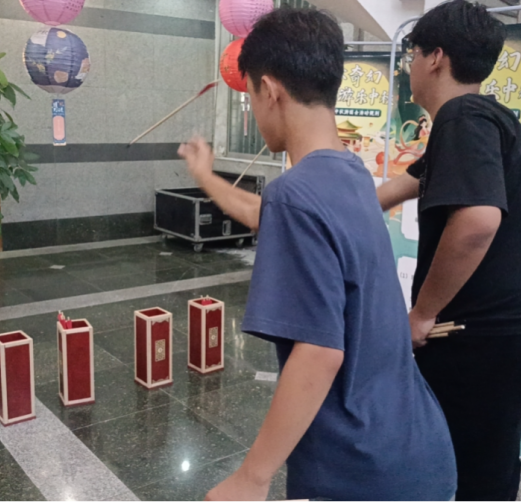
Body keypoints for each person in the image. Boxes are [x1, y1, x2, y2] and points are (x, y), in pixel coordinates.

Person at [178, 8, 457, 502]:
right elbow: (268, 214)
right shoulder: (348, 173)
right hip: (416, 448)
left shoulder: (295, 195)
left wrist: (252, 476)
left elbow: (319, 352)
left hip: (360, 470)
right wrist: (206, 176)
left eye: (251, 96)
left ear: (270, 90)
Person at [376, 1, 521, 500]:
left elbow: (477, 224)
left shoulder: (462, 117)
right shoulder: (498, 124)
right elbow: (393, 190)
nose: (410, 67)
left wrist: (422, 314)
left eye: (413, 55)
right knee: (487, 465)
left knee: (475, 479)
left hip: (490, 344)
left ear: (436, 57)